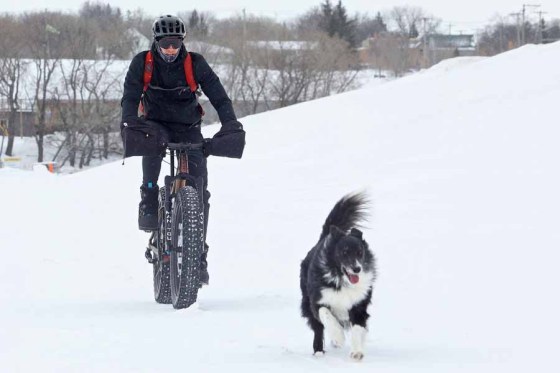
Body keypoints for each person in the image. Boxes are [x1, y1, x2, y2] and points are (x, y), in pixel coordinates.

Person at [121, 15, 245, 285]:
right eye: (166, 44)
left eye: (176, 44)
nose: (171, 50)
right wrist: (129, 121)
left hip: (188, 126)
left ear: (182, 42)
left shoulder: (195, 63)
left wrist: (231, 123)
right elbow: (130, 95)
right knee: (151, 148)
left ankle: (198, 253)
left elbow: (218, 95)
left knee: (200, 189)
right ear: (157, 42)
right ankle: (150, 194)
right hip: (154, 123)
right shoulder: (142, 62)